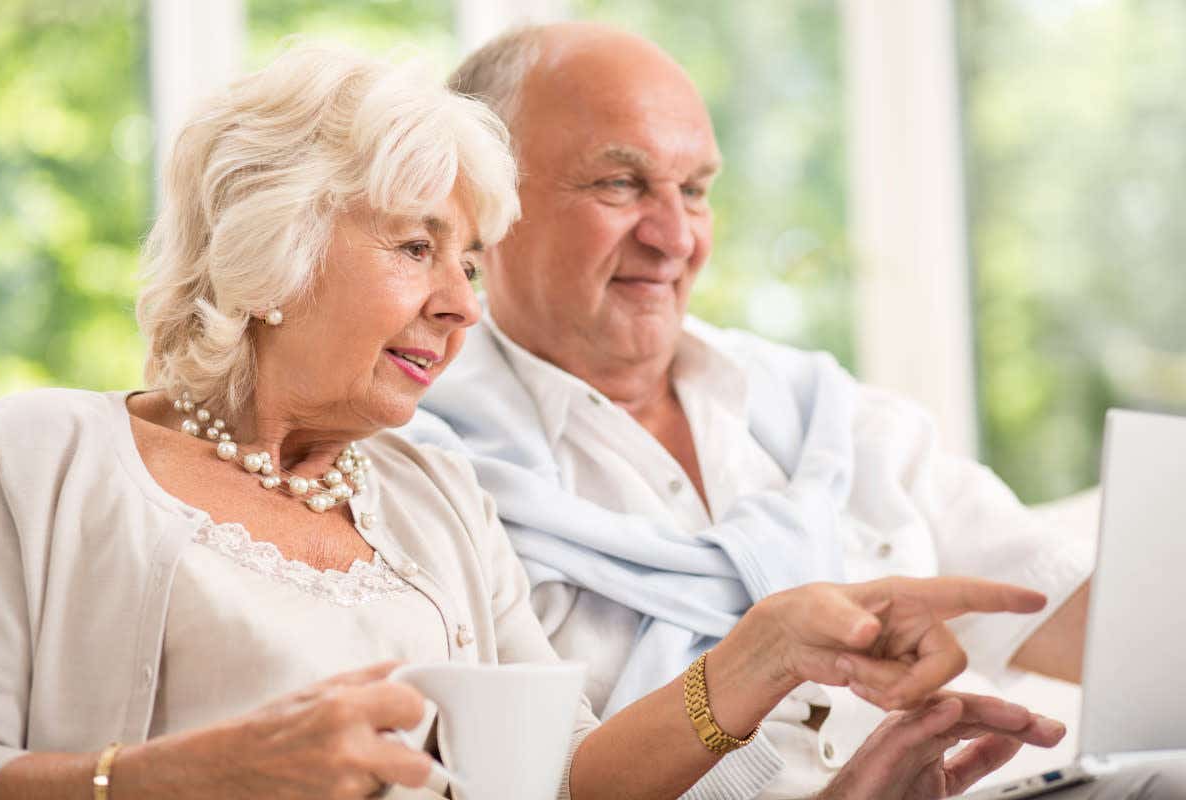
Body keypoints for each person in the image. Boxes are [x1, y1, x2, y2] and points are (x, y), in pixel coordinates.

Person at [0, 44, 1064, 800]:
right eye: (415, 249)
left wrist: (772, 649)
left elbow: (564, 780)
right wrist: (185, 780)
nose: (460, 302)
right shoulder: (40, 458)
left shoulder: (429, 492)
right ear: (271, 253)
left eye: (467, 261)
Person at [401, 21, 1186, 799]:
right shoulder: (423, 470)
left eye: (697, 191)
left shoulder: (819, 411)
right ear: (483, 203)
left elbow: (1092, 621)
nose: (676, 237)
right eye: (620, 184)